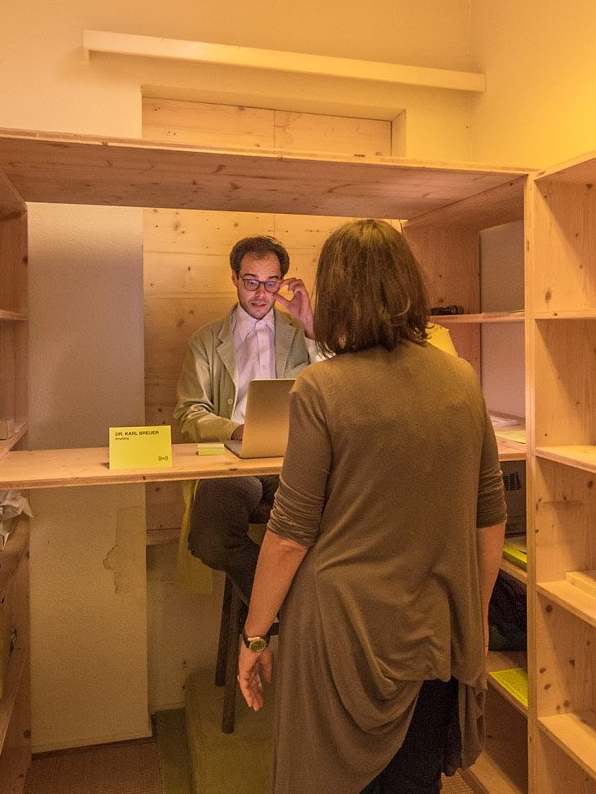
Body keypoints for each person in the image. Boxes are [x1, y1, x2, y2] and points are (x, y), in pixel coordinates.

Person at [237, 219, 506, 794]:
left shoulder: (321, 390)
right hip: (436, 629)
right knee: (415, 782)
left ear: (335, 295)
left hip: (341, 636)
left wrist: (255, 636)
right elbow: (490, 517)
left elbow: (288, 536)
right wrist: (475, 619)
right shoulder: (462, 380)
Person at [174, 235, 319, 599]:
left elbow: (334, 387)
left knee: (332, 527)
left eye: (271, 284)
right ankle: (285, 606)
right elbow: (189, 412)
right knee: (210, 540)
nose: (261, 294)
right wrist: (237, 430)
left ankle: (274, 615)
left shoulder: (301, 335)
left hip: (291, 460)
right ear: (235, 279)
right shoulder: (206, 341)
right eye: (251, 282)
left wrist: (309, 322)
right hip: (231, 463)